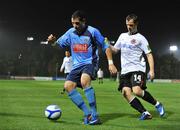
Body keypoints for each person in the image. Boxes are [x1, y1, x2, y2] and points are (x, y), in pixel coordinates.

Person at [47, 10, 117, 125]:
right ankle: (87, 113)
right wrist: (53, 42)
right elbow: (60, 45)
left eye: (77, 23)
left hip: (90, 63)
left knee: (85, 81)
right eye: (73, 23)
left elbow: (106, 46)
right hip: (76, 65)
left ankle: (95, 116)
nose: (75, 26)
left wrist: (110, 63)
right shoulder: (70, 32)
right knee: (68, 86)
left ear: (84, 21)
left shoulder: (93, 31)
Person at [110, 14, 165, 120]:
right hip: (125, 70)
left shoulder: (141, 39)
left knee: (137, 91)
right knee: (125, 93)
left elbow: (149, 54)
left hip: (137, 68)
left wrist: (152, 70)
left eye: (131, 25)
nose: (129, 27)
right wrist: (107, 44)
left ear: (136, 24)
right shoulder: (122, 36)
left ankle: (157, 104)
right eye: (127, 25)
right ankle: (145, 113)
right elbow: (115, 50)